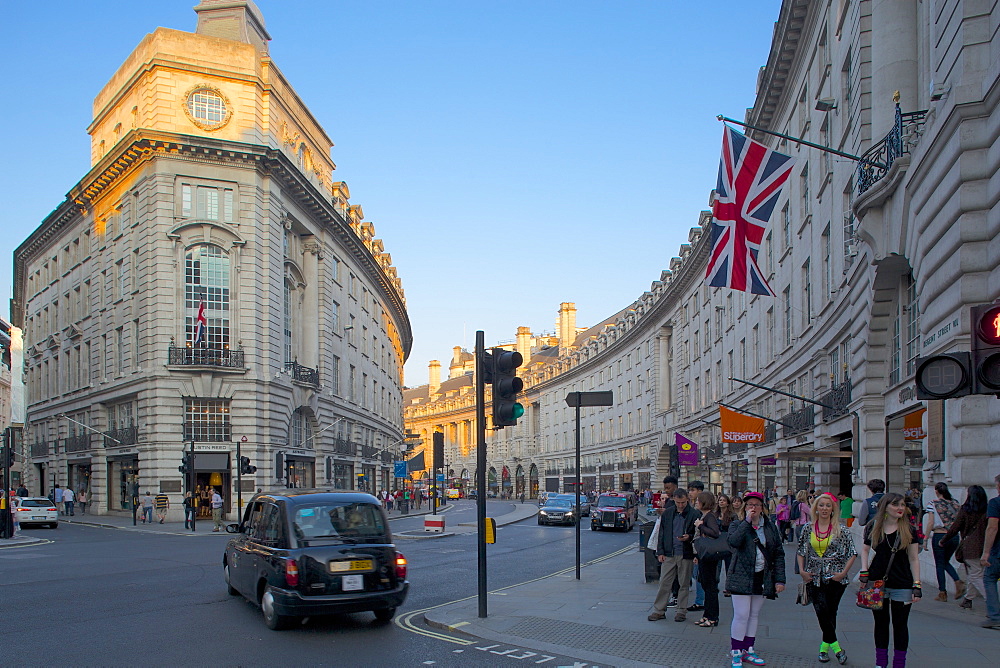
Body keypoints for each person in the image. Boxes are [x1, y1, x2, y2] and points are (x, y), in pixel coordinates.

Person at [860, 493, 922, 668]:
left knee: (900, 625)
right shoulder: (874, 526)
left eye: (902, 504)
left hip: (902, 583)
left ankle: (899, 664)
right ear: (885, 506)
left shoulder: (908, 529)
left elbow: (914, 558)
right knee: (880, 624)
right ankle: (880, 663)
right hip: (876, 582)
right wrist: (864, 570)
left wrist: (917, 585)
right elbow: (864, 549)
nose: (900, 508)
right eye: (895, 505)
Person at [726, 491, 785, 667]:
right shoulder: (737, 524)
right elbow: (734, 542)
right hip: (741, 576)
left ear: (762, 508)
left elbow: (778, 553)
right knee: (742, 614)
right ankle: (736, 650)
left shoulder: (769, 527)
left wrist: (780, 580)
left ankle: (748, 649)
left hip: (762, 575)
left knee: (753, 614)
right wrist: (747, 523)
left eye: (757, 505)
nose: (753, 508)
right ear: (745, 508)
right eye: (750, 505)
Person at [797, 492, 857, 664]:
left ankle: (824, 649)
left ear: (833, 509)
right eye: (821, 505)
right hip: (814, 576)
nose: (824, 509)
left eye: (828, 505)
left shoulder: (842, 530)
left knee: (831, 613)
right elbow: (801, 551)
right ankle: (837, 649)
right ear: (816, 508)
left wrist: (843, 573)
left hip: (836, 578)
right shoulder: (808, 528)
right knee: (821, 611)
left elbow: (852, 553)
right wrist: (802, 570)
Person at [648, 488, 698, 623]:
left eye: (682, 502)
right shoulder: (668, 513)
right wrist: (660, 552)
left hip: (685, 553)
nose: (680, 505)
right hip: (669, 553)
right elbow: (662, 534)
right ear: (674, 500)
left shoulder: (694, 514)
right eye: (678, 502)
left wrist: (689, 537)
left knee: (684, 584)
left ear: (687, 499)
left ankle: (681, 611)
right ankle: (659, 610)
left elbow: (698, 535)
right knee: (664, 583)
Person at [942, 485, 988, 610]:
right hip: (985, 545)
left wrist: (944, 540)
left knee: (975, 575)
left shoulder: (966, 509)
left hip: (970, 547)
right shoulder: (987, 510)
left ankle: (990, 600)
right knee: (975, 572)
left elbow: (955, 527)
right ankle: (968, 599)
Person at [923, 482, 964, 602]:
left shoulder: (933, 504)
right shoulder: (956, 503)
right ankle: (957, 581)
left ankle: (942, 592)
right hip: (954, 536)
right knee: (945, 561)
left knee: (940, 564)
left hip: (940, 535)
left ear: (936, 491)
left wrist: (925, 538)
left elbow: (930, 522)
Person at [693, 491, 722, 627]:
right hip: (704, 555)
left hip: (710, 556)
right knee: (705, 584)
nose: (696, 502)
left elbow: (715, 533)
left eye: (698, 500)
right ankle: (706, 615)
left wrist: (700, 526)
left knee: (710, 587)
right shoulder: (705, 515)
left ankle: (713, 617)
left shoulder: (710, 516)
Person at [980, 473, 1000, 629]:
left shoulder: (995, 503)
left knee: (989, 578)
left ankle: (994, 616)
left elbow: (992, 527)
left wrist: (986, 552)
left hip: (998, 551)